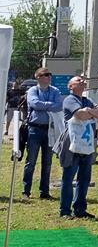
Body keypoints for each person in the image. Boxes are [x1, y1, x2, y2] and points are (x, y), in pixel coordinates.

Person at [58, 75, 98, 219]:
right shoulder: (69, 100)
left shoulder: (87, 100)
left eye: (83, 80)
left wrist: (88, 110)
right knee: (69, 177)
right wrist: (90, 113)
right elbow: (79, 115)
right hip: (72, 143)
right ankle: (65, 210)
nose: (82, 82)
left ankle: (80, 209)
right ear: (71, 86)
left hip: (86, 143)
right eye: (78, 80)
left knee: (84, 178)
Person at [22, 67, 64, 200]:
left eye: (50, 75)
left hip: (50, 130)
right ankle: (26, 191)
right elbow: (35, 104)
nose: (49, 77)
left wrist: (44, 105)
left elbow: (59, 105)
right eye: (46, 75)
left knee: (47, 163)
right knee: (31, 162)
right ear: (38, 77)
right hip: (34, 130)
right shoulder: (32, 90)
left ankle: (44, 192)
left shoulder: (55, 91)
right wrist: (50, 105)